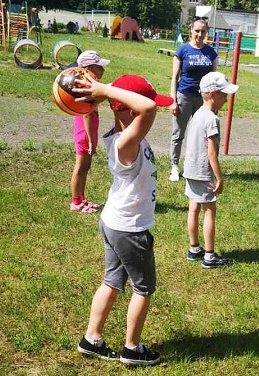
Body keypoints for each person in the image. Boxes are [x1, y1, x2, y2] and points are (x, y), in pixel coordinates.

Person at [74, 74, 173, 366]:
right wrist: (106, 91)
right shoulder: (125, 143)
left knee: (112, 281)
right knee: (143, 288)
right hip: (130, 229)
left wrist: (107, 96)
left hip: (114, 222)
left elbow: (142, 109)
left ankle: (92, 340)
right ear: (131, 109)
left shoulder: (124, 136)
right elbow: (148, 109)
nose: (154, 107)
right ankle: (132, 349)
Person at [182, 72, 238, 268]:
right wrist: (219, 178)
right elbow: (212, 154)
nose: (227, 98)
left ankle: (194, 248)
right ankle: (209, 256)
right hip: (203, 172)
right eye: (224, 94)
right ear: (213, 94)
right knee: (209, 212)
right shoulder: (212, 119)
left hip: (190, 169)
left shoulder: (197, 114)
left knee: (193, 208)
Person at [169, 16, 218, 182]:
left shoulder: (211, 53)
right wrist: (173, 100)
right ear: (191, 30)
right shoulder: (182, 50)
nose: (199, 34)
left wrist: (214, 103)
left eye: (203, 31)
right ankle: (174, 166)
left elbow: (214, 79)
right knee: (178, 134)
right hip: (184, 96)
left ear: (207, 32)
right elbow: (174, 77)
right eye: (197, 30)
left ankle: (197, 166)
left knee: (201, 135)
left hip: (203, 100)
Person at [69, 50, 110, 214]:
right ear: (88, 68)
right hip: (84, 132)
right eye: (99, 67)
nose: (103, 71)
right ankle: (76, 202)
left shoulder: (88, 84)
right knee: (80, 166)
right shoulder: (84, 86)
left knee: (86, 166)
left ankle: (81, 198)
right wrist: (91, 139)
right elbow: (86, 113)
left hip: (88, 131)